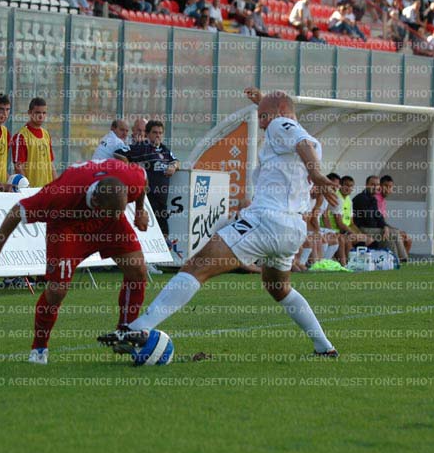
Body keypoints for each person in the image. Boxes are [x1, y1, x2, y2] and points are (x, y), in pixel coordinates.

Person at [100, 89, 340, 357]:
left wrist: (316, 174)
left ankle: (138, 328)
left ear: (280, 114)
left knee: (196, 266)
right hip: (293, 227)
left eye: (263, 117)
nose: (262, 124)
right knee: (278, 286)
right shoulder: (302, 135)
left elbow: (298, 139)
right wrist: (263, 102)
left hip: (268, 220)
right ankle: (324, 346)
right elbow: (297, 134)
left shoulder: (281, 125)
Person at [0, 159, 150, 365]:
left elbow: (143, 180)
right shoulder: (61, 194)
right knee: (57, 290)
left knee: (138, 270)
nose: (116, 215)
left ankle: (125, 331)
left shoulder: (129, 180)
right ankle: (39, 348)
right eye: (111, 212)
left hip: (109, 226)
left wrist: (139, 210)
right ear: (96, 201)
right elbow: (17, 211)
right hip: (68, 227)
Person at [114, 120, 179, 241]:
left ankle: (164, 251)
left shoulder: (164, 149)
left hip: (162, 199)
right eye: (155, 132)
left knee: (164, 231)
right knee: (147, 231)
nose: (158, 135)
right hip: (148, 198)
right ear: (147, 134)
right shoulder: (142, 147)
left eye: (160, 133)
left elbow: (175, 161)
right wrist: (129, 169)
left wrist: (173, 166)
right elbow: (118, 154)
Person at [352, 176, 408, 262]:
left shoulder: (372, 198)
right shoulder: (361, 198)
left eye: (377, 185)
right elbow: (369, 220)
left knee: (390, 236)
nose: (375, 187)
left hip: (372, 229)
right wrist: (382, 228)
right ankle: (398, 260)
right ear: (366, 185)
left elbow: (378, 215)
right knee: (393, 233)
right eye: (372, 184)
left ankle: (399, 260)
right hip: (362, 229)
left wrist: (385, 226)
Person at [12, 97, 56, 187]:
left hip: (47, 190)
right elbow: (18, 167)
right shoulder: (21, 136)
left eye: (44, 113)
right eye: (37, 112)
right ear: (29, 113)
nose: (41, 116)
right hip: (32, 190)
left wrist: (57, 185)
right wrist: (27, 189)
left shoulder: (46, 134)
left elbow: (51, 164)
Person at [377, 175, 412, 256]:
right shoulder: (376, 199)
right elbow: (378, 221)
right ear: (380, 186)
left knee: (407, 239)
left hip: (384, 227)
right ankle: (401, 259)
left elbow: (383, 220)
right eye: (385, 186)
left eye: (390, 187)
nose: (388, 189)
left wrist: (396, 230)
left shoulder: (383, 200)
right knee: (402, 238)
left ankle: (402, 260)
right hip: (378, 229)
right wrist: (395, 231)